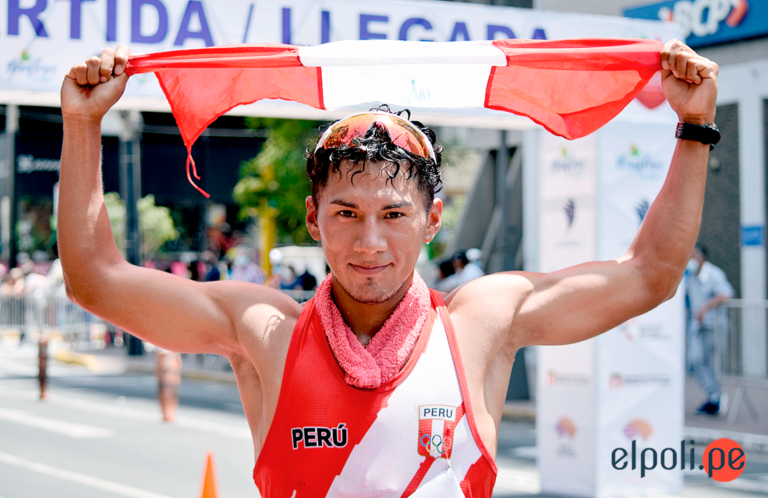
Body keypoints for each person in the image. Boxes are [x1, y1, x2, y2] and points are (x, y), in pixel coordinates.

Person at [59, 40, 717, 496]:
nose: (369, 240)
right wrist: (82, 125)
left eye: (394, 215)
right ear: (315, 220)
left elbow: (651, 272)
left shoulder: (479, 321)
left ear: (432, 222)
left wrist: (694, 130)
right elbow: (97, 278)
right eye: (346, 213)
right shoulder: (267, 329)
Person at [686, 244, 734, 415]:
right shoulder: (690, 276)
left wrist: (706, 307)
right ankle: (714, 396)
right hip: (698, 327)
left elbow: (726, 293)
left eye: (692, 256)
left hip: (714, 326)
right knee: (696, 360)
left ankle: (715, 398)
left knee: (710, 362)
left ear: (700, 257)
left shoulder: (714, 274)